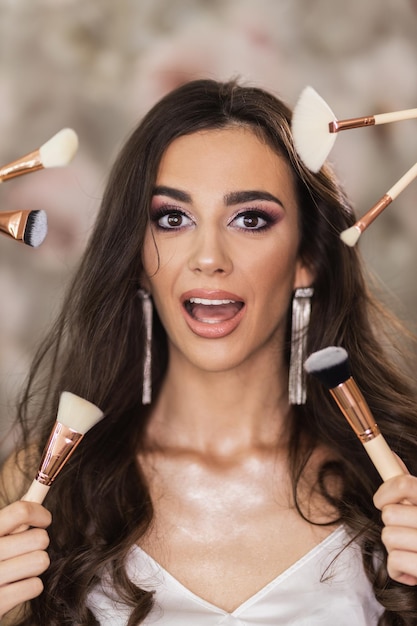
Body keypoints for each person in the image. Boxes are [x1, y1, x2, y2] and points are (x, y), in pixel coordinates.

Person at [1, 78, 417, 626]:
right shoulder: (38, 484)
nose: (208, 257)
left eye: (250, 219)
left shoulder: (400, 477)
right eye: (173, 219)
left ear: (307, 258)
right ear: (136, 259)